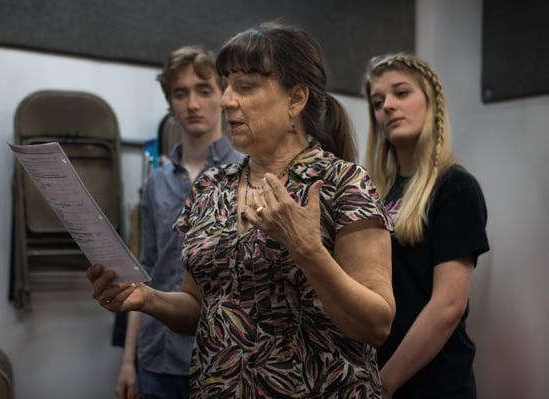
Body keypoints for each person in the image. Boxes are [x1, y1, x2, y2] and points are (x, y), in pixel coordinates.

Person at [90, 22, 395, 398]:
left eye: (245, 87)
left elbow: (377, 324)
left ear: (295, 100)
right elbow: (199, 306)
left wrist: (308, 250)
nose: (226, 100)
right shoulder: (210, 187)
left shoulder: (343, 183)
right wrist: (147, 299)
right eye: (227, 84)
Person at [116, 45, 242, 399]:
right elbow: (143, 270)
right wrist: (128, 361)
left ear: (222, 95)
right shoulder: (157, 181)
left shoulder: (247, 173)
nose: (193, 104)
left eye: (204, 91)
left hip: (224, 359)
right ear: (170, 102)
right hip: (156, 357)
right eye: (180, 93)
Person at [363, 53, 489, 399]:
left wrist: (383, 384)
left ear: (431, 103)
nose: (388, 106)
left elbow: (448, 306)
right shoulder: (375, 193)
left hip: (434, 383)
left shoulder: (455, 187)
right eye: (378, 101)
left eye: (401, 93)